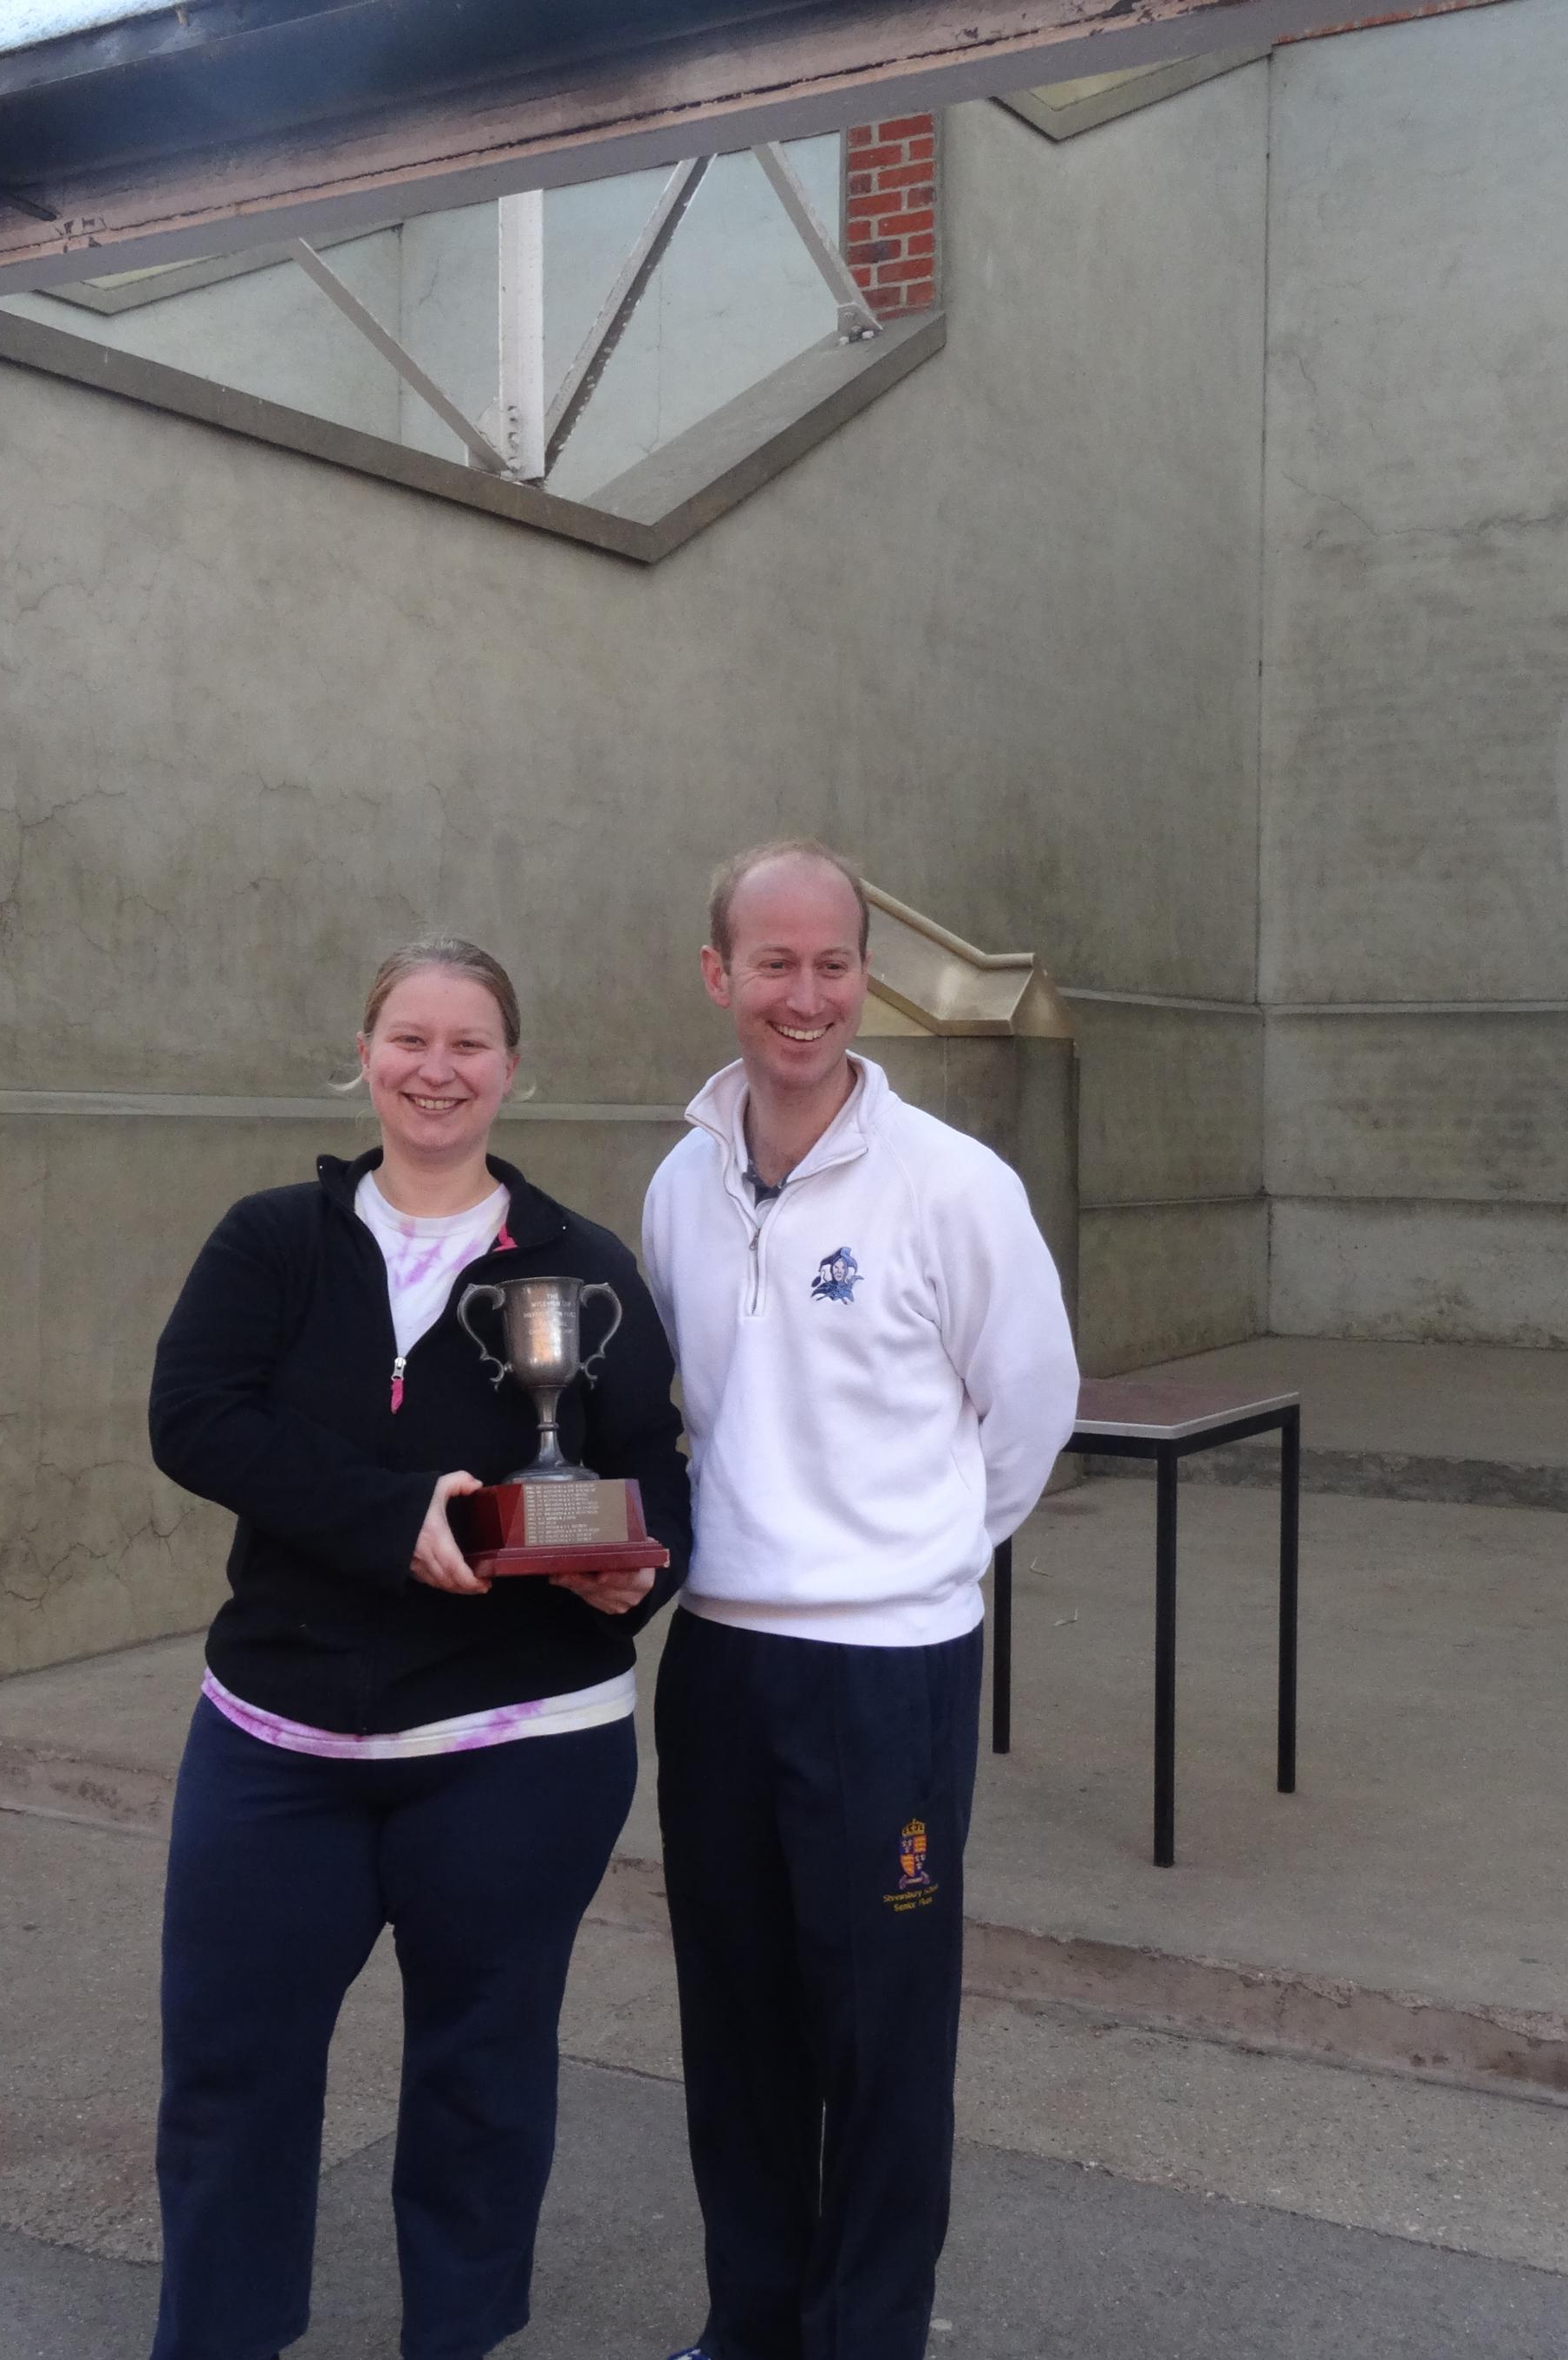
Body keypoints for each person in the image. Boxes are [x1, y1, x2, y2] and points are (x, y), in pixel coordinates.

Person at [143, 936, 689, 2360]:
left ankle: (454, 2339)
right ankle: (218, 2339)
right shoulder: (272, 1239)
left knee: (481, 2075)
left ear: (512, 1068)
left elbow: (649, 1465)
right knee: (230, 2071)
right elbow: (194, 1415)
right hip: (278, 1738)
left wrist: (630, 1576)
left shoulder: (580, 1262)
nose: (436, 1069)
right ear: (367, 1054)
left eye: (468, 1043)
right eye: (409, 1038)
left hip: (516, 1750)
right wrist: (394, 1517)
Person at [640, 841, 1080, 2360]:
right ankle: (750, 2320)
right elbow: (692, 1411)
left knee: (880, 2040)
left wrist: (919, 1558)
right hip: (716, 1671)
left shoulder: (954, 1187)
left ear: (865, 982)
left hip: (887, 1675)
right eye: (773, 963)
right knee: (738, 2022)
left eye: (834, 965)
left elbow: (1026, 1413)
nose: (805, 995)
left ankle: (864, 2333)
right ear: (719, 976)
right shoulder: (678, 1178)